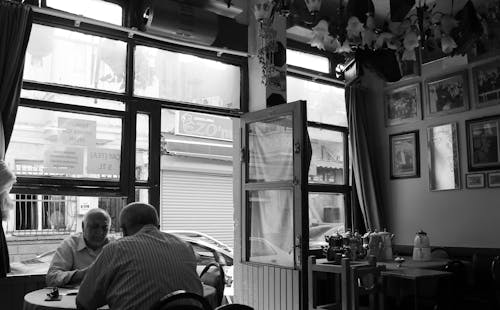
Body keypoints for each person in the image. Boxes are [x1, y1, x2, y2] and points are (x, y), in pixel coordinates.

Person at [76, 202, 202, 310]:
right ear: (157, 227)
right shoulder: (185, 247)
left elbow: (83, 302)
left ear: (124, 230)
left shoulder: (116, 249)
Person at [46, 208, 111, 287]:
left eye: (105, 228)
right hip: (75, 298)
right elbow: (52, 278)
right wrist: (84, 274)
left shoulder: (115, 246)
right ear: (83, 226)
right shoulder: (70, 245)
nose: (100, 232)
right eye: (94, 226)